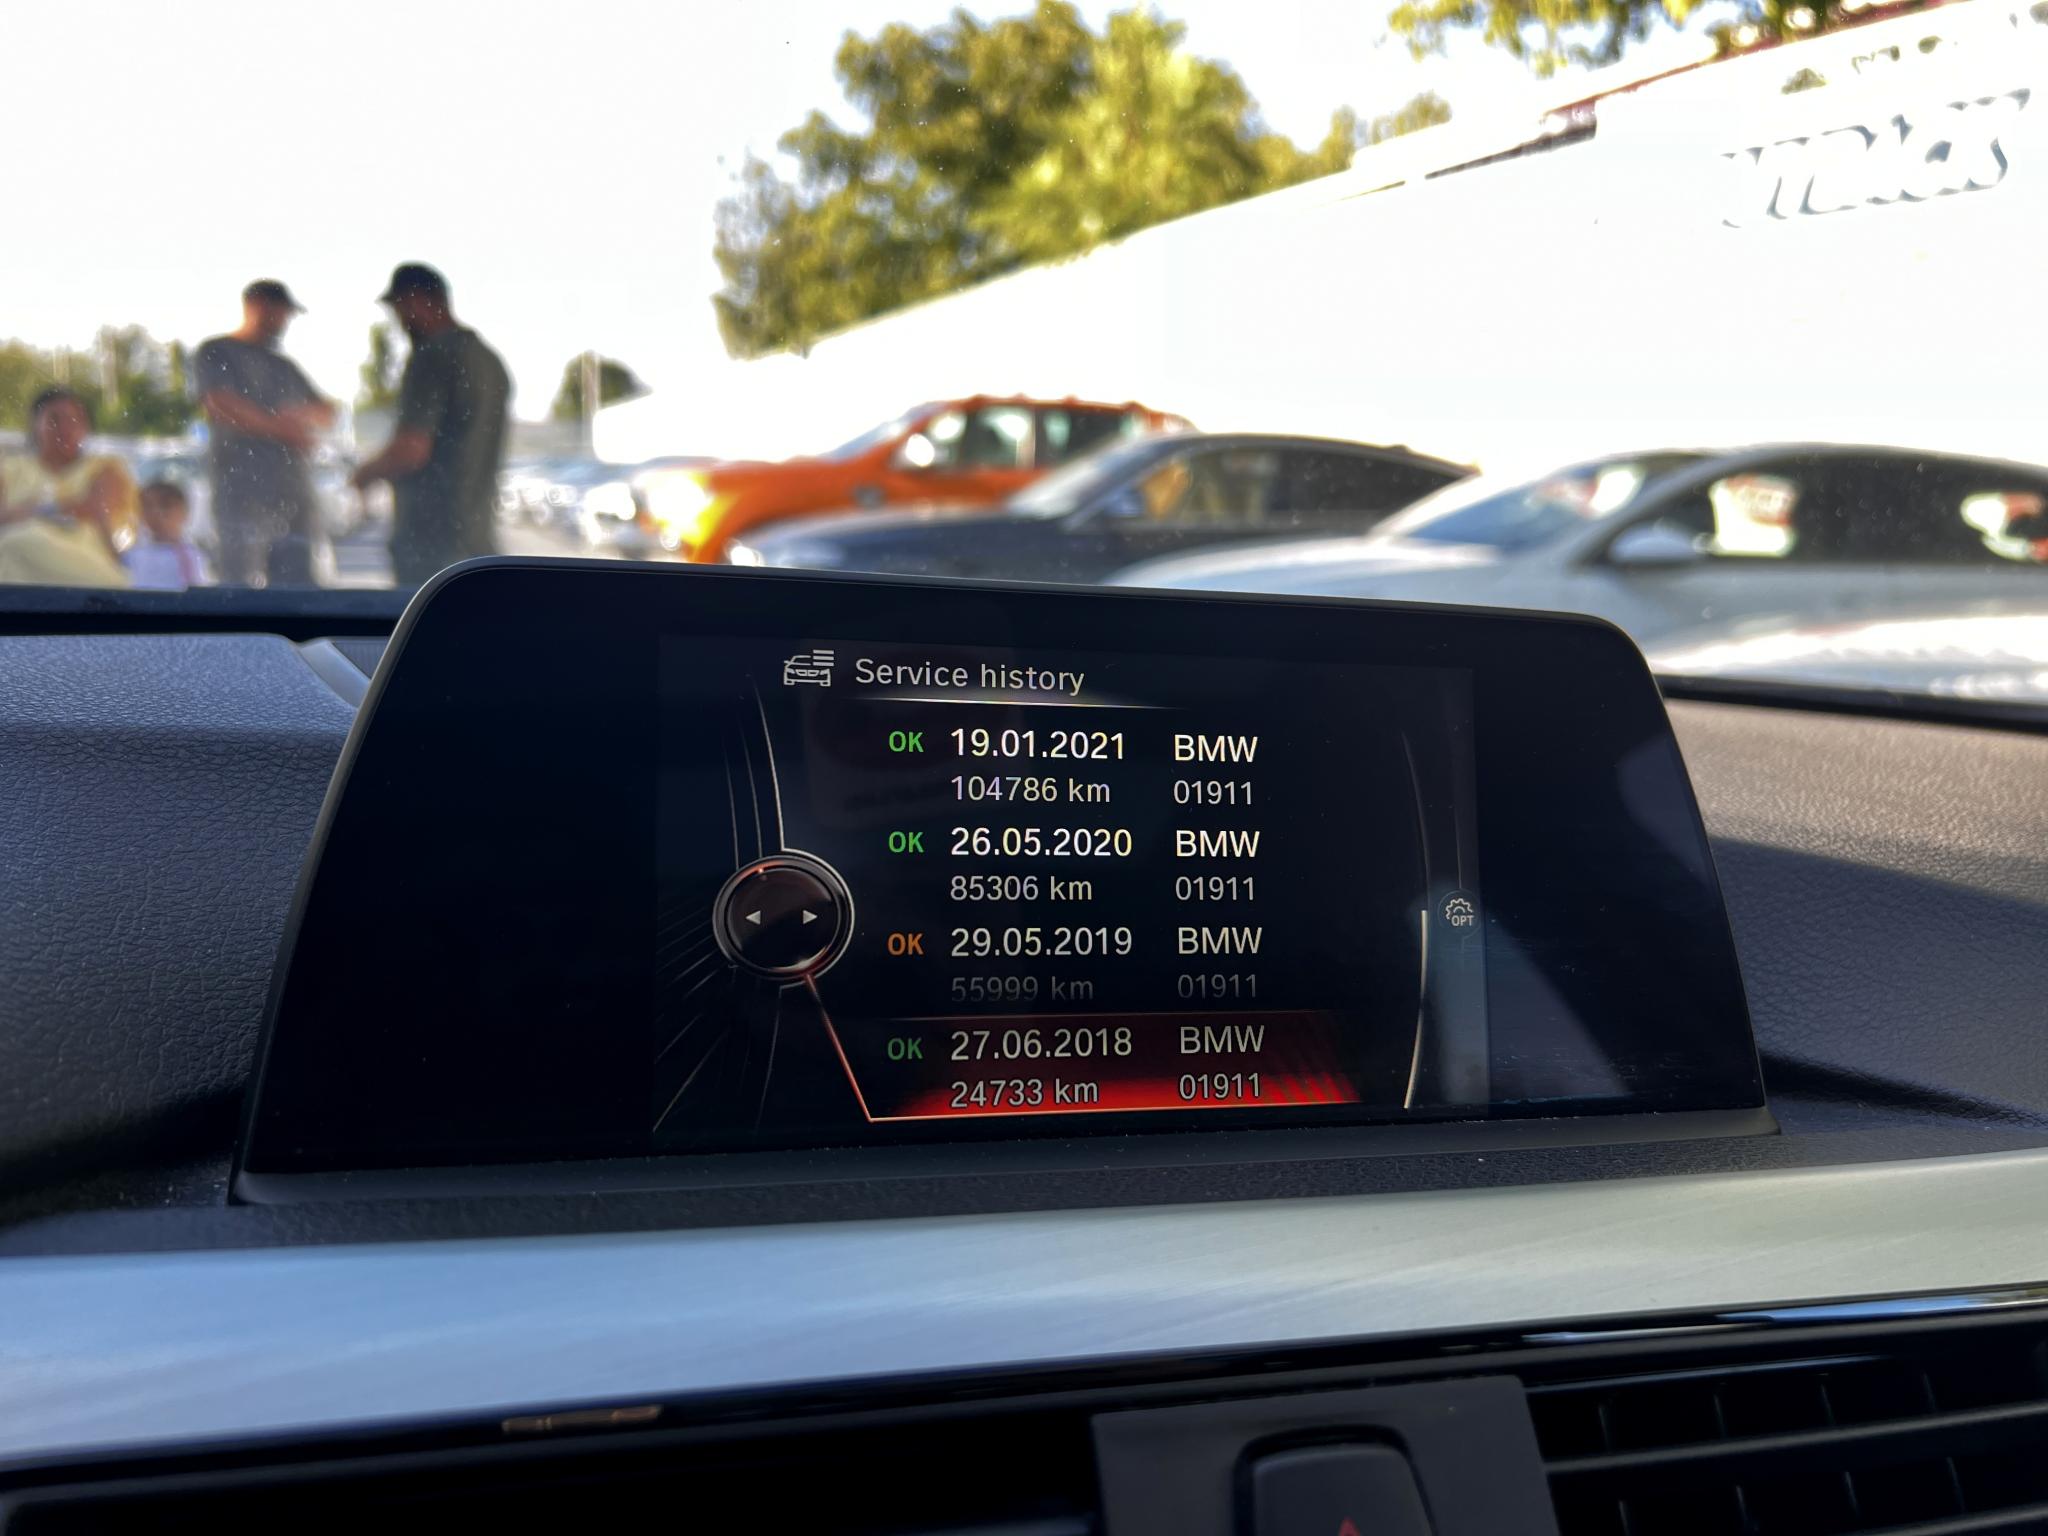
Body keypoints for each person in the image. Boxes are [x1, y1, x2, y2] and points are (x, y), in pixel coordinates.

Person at [351, 263, 510, 586]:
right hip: (476, 542)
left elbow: (411, 448)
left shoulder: (433, 356)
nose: (399, 320)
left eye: (400, 307)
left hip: (430, 544)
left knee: (424, 616)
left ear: (421, 299)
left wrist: (363, 475)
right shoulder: (489, 360)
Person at [195, 279, 335, 587]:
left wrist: (300, 415)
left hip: (293, 495)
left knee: (300, 587)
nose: (285, 321)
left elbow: (327, 411)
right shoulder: (217, 352)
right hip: (241, 494)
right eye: (281, 311)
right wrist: (281, 428)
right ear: (256, 306)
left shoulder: (284, 366)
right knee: (241, 586)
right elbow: (220, 402)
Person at [0, 387, 135, 588]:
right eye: (54, 419)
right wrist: (67, 507)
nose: (65, 428)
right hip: (17, 576)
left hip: (88, 570)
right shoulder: (9, 469)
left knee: (15, 542)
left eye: (74, 420)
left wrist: (30, 511)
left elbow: (98, 509)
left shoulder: (104, 468)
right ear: (35, 424)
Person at [123, 481, 213, 590]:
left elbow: (196, 593)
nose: (155, 513)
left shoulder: (190, 555)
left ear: (183, 512)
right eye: (147, 506)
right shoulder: (136, 552)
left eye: (165, 506)